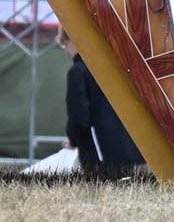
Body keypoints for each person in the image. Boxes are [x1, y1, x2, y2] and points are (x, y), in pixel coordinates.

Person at [64, 51, 149, 180]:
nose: (65, 50)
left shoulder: (79, 71)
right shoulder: (121, 65)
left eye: (65, 44)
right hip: (134, 150)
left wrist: (74, 139)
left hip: (101, 154)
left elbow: (79, 117)